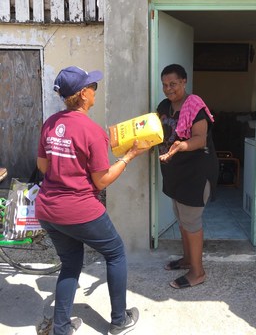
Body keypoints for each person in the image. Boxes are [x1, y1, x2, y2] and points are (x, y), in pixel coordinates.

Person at [36, 66, 149, 335]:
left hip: (48, 209)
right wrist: (130, 156)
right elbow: (102, 180)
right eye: (93, 87)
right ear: (83, 94)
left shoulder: (50, 124)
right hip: (80, 209)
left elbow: (42, 165)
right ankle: (119, 321)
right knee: (116, 253)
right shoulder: (92, 130)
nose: (95, 90)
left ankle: (61, 328)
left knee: (71, 264)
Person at [157, 64, 218, 289]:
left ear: (184, 82)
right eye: (164, 85)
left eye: (173, 84)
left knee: (191, 222)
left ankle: (198, 272)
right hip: (174, 172)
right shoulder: (164, 106)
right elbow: (157, 132)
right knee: (181, 219)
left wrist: (180, 147)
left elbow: (200, 139)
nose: (168, 89)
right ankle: (187, 259)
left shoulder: (195, 107)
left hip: (195, 173)